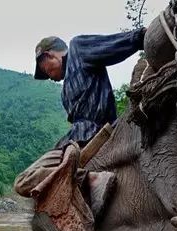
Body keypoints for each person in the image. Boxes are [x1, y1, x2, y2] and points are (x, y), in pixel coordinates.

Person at [13, 28, 146, 197]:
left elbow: (113, 44)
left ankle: (89, 178)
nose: (50, 77)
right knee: (23, 182)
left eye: (47, 71)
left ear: (50, 55)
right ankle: (84, 178)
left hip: (95, 133)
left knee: (23, 180)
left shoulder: (78, 48)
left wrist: (142, 36)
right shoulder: (65, 91)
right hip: (73, 142)